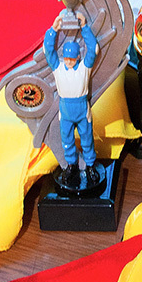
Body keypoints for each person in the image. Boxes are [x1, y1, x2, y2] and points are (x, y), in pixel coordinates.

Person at [44, 10, 100, 189]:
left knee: (87, 138)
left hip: (82, 108)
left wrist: (84, 26)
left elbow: (93, 49)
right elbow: (48, 51)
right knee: (67, 140)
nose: (68, 61)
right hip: (66, 110)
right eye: (66, 58)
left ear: (78, 57)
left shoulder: (84, 68)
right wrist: (53, 30)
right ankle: (71, 165)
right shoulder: (58, 68)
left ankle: (90, 166)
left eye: (72, 58)